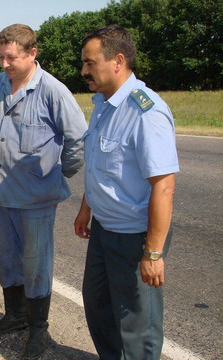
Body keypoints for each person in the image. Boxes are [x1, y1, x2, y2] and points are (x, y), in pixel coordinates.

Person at [0, 24, 87, 359]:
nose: (4, 64)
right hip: (4, 193)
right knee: (5, 259)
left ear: (32, 53)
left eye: (11, 57)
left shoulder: (52, 90)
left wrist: (58, 172)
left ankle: (39, 332)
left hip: (37, 198)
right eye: (0, 57)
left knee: (36, 264)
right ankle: (16, 316)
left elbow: (78, 138)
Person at [74, 25, 179, 359]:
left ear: (117, 61)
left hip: (134, 236)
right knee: (98, 305)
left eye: (90, 63)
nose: (83, 71)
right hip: (104, 229)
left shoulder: (146, 113)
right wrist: (85, 209)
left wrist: (153, 253)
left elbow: (163, 186)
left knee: (137, 323)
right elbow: (100, 167)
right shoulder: (103, 105)